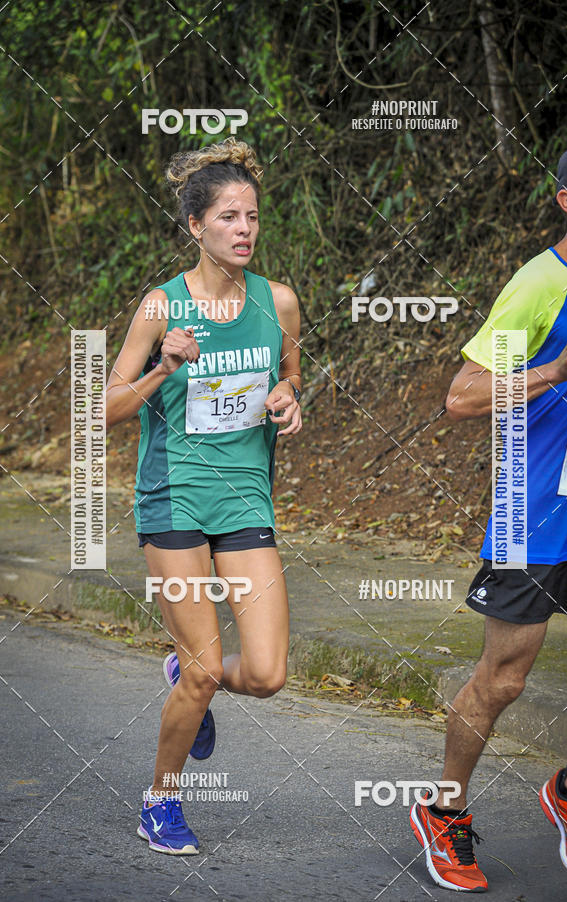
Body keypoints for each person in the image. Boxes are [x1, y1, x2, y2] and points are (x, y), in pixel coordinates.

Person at [410, 135, 567, 891]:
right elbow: (460, 398)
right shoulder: (540, 284)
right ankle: (443, 810)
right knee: (504, 679)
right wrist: (555, 366)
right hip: (536, 509)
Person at [106, 137, 302, 854]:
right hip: (175, 501)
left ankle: (190, 676)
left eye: (252, 216)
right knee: (203, 670)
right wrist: (163, 368)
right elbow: (100, 411)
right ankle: (161, 802)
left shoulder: (278, 301)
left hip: (245, 499)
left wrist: (289, 396)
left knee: (268, 674)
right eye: (227, 217)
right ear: (196, 226)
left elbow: (291, 375)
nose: (245, 229)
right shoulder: (162, 306)